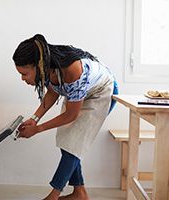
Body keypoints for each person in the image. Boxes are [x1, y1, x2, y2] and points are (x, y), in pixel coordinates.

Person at [12, 34, 118, 200]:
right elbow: (53, 91)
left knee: (73, 143)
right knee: (66, 139)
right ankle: (79, 193)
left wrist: (38, 129)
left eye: (24, 73)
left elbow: (71, 115)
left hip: (102, 91)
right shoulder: (47, 67)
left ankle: (53, 195)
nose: (22, 79)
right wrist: (35, 118)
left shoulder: (72, 70)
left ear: (37, 66)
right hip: (81, 93)